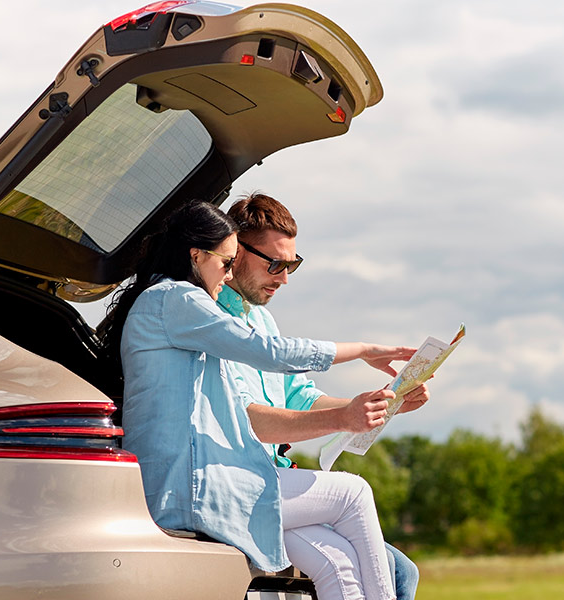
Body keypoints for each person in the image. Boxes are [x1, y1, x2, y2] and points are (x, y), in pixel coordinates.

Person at [98, 201, 412, 600]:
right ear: (197, 255)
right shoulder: (177, 299)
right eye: (226, 262)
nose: (228, 274)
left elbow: (293, 389)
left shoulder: (172, 303)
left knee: (339, 564)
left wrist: (383, 403)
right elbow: (273, 353)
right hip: (194, 483)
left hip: (205, 477)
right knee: (354, 495)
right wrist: (364, 350)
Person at [216, 193, 424, 600]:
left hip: (277, 482)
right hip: (248, 484)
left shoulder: (261, 318)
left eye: (292, 264)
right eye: (274, 264)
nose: (284, 278)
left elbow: (300, 396)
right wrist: (347, 418)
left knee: (384, 568)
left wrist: (386, 402)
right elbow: (250, 421)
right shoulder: (213, 322)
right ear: (233, 251)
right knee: (391, 568)